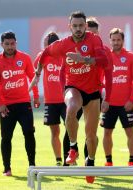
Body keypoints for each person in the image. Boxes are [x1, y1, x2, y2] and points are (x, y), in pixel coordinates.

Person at [29, 11, 111, 183]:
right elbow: (45, 53)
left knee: (91, 135)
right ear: (70, 27)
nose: (78, 29)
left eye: (81, 25)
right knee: (71, 109)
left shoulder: (94, 39)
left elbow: (104, 61)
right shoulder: (63, 44)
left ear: (86, 26)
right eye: (75, 26)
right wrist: (38, 72)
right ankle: (73, 147)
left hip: (93, 91)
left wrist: (84, 59)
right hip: (73, 87)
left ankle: (90, 162)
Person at [0, 31, 40, 176]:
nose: (10, 46)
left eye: (12, 43)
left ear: (16, 43)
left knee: (29, 133)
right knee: (6, 137)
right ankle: (7, 168)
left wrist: (35, 96)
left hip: (24, 103)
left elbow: (33, 78)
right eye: (7, 44)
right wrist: (1, 103)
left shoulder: (24, 58)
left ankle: (32, 165)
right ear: (1, 45)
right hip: (7, 106)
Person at [34, 32, 82, 166]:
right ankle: (58, 160)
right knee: (54, 131)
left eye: (46, 45)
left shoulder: (64, 56)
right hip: (50, 102)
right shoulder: (41, 57)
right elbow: (35, 75)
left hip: (65, 100)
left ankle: (70, 158)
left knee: (70, 128)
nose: (45, 48)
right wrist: (36, 95)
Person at [100, 28, 133, 167]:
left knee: (129, 132)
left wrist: (131, 100)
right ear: (110, 41)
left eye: (118, 40)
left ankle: (132, 161)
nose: (116, 42)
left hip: (125, 104)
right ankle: (109, 161)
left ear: (123, 40)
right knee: (107, 132)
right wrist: (103, 100)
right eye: (113, 40)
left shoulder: (132, 57)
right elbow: (100, 79)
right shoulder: (105, 57)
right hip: (109, 103)